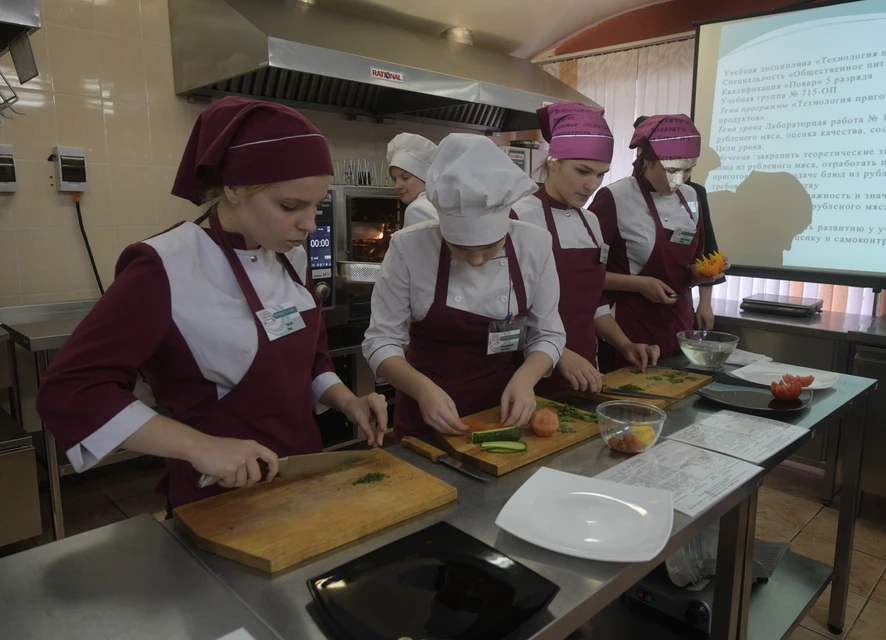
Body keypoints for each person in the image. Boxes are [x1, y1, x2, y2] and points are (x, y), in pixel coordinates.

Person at [35, 97, 389, 509]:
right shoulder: (165, 265)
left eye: (316, 206)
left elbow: (312, 361)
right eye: (290, 206)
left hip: (302, 477)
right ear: (234, 188)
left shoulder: (291, 255)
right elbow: (71, 389)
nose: (309, 225)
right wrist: (199, 446)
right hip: (216, 498)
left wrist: (348, 401)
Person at [363, 133, 566, 442]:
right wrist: (422, 389)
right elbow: (381, 340)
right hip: (425, 409)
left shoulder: (534, 244)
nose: (475, 260)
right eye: (460, 248)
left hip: (503, 407)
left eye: (489, 248)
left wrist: (526, 379)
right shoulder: (409, 247)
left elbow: (549, 333)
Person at [511, 102, 659, 395]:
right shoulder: (518, 216)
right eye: (583, 171)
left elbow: (592, 303)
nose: (591, 184)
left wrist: (625, 344)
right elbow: (501, 312)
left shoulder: (590, 222)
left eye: (601, 174)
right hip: (526, 374)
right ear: (553, 161)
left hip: (585, 371)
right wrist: (557, 353)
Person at [592, 114, 727, 364]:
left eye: (688, 170)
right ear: (646, 161)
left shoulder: (692, 197)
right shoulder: (615, 198)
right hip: (629, 332)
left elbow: (691, 263)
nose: (679, 180)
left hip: (680, 328)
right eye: (671, 170)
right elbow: (584, 273)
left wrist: (699, 275)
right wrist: (639, 284)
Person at [387, 133, 439, 227]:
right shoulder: (438, 203)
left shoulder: (418, 210)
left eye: (405, 178)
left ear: (425, 177)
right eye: (394, 179)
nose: (397, 186)